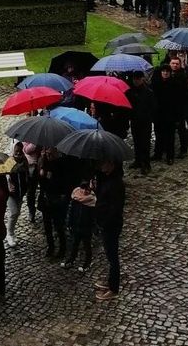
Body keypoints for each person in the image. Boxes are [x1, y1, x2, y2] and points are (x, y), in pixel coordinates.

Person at [93, 161, 125, 301]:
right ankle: (110, 281)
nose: (101, 165)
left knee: (113, 256)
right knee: (109, 254)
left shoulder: (116, 184)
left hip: (111, 225)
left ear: (111, 165)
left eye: (104, 162)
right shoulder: (106, 178)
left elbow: (114, 208)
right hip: (105, 222)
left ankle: (113, 288)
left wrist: (104, 222)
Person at [63, 179, 95, 272]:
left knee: (87, 245)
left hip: (86, 227)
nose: (84, 191)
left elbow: (94, 217)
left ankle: (87, 262)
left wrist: (93, 228)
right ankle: (71, 260)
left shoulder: (92, 200)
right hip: (76, 225)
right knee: (74, 244)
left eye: (87, 189)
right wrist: (70, 223)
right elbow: (71, 212)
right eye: (83, 189)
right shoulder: (76, 198)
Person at [126, 71, 155, 174]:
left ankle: (146, 164)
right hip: (135, 120)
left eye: (138, 79)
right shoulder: (130, 92)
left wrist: (149, 116)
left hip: (145, 121)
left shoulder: (148, 92)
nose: (136, 81)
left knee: (145, 143)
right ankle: (138, 160)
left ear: (142, 79)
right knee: (136, 141)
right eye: (134, 79)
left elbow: (152, 106)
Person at [5, 143, 31, 247]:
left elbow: (27, 174)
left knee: (17, 213)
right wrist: (8, 184)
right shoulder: (9, 162)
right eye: (16, 151)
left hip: (21, 192)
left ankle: (11, 232)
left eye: (20, 151)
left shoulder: (24, 161)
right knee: (14, 212)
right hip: (11, 193)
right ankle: (9, 234)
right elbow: (5, 175)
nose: (19, 154)